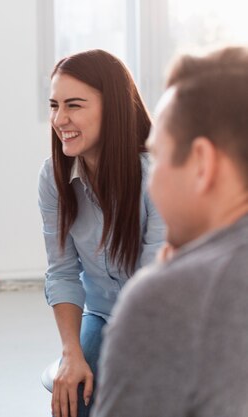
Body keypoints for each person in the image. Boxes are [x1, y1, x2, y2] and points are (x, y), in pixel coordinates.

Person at [93, 46, 248, 417]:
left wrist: (169, 281)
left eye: (158, 156)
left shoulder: (169, 299)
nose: (152, 181)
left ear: (201, 163)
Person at [37, 49, 165, 417]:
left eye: (74, 105)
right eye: (54, 105)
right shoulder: (53, 178)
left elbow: (155, 284)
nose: (60, 119)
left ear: (114, 108)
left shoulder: (156, 175)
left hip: (160, 321)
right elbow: (61, 273)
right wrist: (71, 354)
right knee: (73, 392)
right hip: (103, 314)